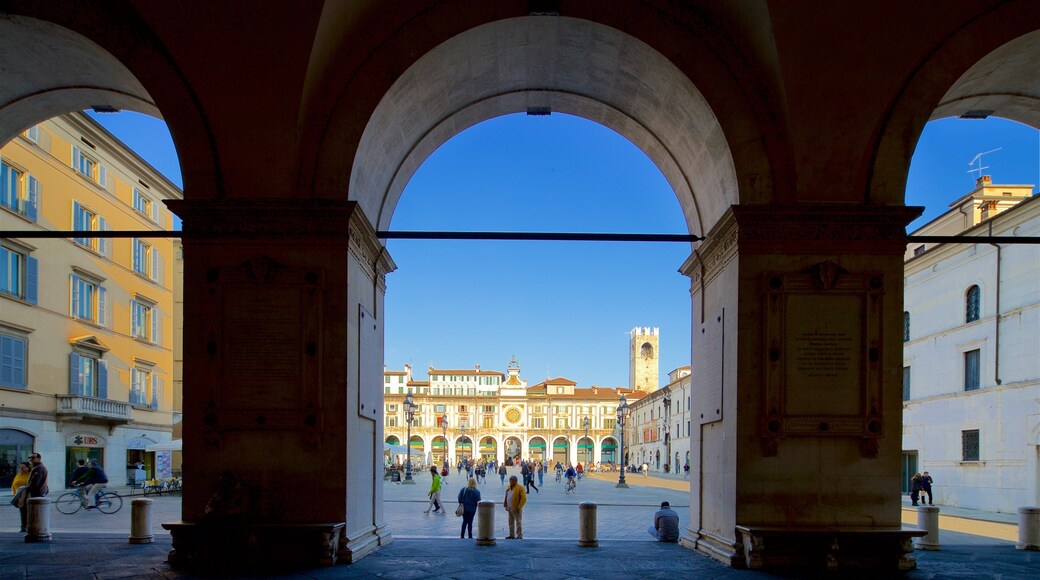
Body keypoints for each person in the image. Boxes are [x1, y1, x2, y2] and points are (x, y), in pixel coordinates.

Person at [503, 475, 527, 539]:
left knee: (518, 522)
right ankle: (511, 535)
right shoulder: (508, 487)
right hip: (509, 507)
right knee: (510, 522)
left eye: (512, 481)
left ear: (516, 481)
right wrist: (505, 504)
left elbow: (524, 499)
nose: (511, 482)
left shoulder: (520, 488)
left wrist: (519, 507)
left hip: (517, 508)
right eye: (510, 481)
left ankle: (519, 535)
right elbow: (506, 496)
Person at [10, 461, 31, 533]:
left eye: (24, 467)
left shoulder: (30, 475)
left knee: (28, 512)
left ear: (28, 468)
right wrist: (15, 494)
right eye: (20, 467)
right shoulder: (18, 475)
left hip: (28, 496)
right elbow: (13, 485)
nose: (21, 468)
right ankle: (23, 527)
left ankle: (28, 527)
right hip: (19, 497)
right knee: (22, 512)